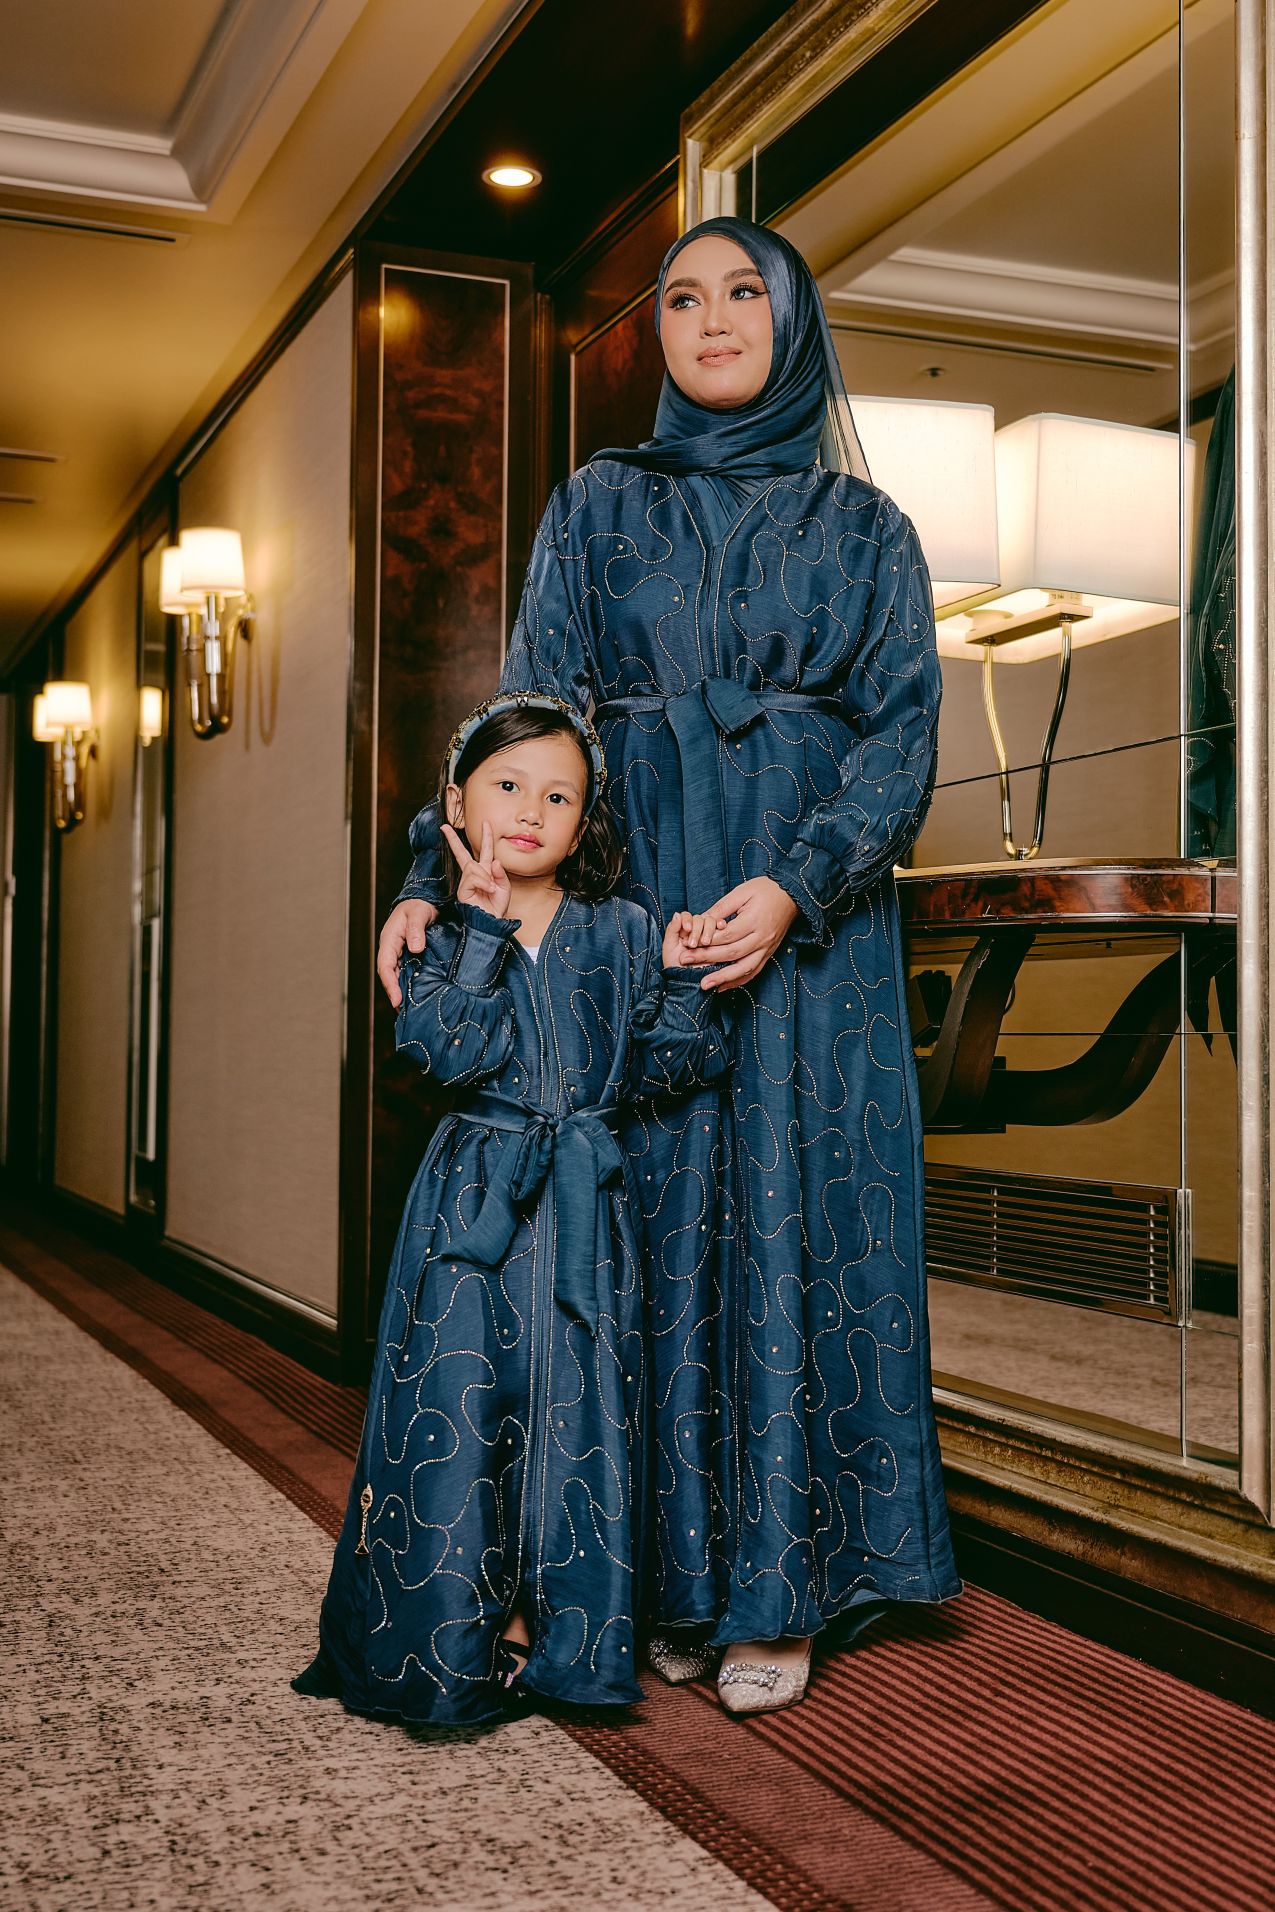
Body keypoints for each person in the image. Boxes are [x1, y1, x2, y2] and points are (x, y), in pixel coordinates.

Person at [376, 214, 961, 1717]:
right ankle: (673, 1580)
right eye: (682, 297)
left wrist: (797, 883)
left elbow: (903, 742)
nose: (711, 319)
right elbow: (527, 718)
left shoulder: (869, 528)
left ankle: (786, 1583)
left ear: (793, 321)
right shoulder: (596, 501)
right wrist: (429, 882)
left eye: (743, 293)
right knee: (657, 1220)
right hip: (634, 902)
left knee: (799, 1208)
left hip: (810, 923)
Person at [295, 694, 733, 1726]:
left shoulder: (622, 928)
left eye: (559, 796)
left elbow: (673, 1065)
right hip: (474, 1200)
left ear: (584, 823)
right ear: (455, 804)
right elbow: (444, 1049)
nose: (532, 811)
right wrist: (483, 929)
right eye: (507, 785)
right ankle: (454, 1631)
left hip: (585, 1205)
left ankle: (555, 1633)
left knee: (577, 1408)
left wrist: (679, 984)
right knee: (464, 1403)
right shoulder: (434, 930)